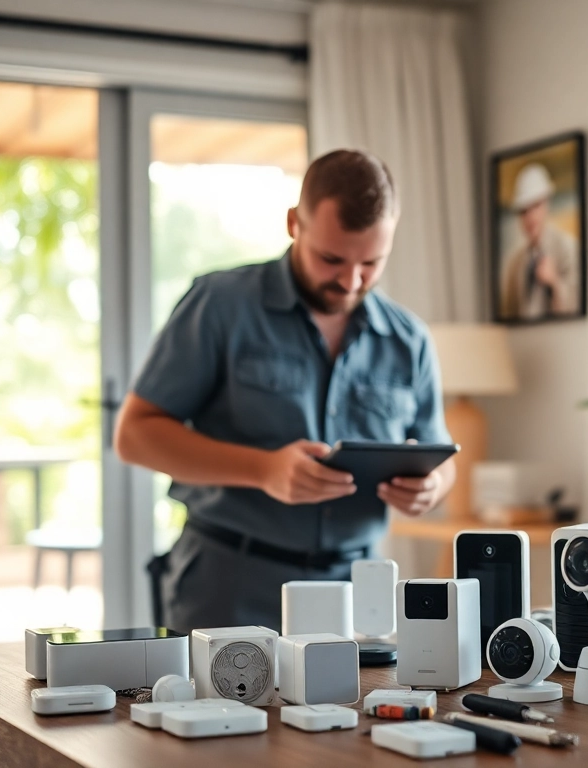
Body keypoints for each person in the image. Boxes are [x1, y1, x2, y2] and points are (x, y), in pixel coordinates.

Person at [114, 149, 456, 631]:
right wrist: (264, 469)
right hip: (230, 584)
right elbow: (134, 435)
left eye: (371, 263)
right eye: (332, 258)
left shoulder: (410, 339)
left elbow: (443, 461)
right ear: (295, 223)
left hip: (359, 596)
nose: (351, 281)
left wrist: (431, 488)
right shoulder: (220, 305)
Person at [498, 162, 581, 320]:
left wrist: (554, 282)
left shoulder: (569, 249)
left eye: (535, 206)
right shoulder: (514, 263)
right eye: (524, 210)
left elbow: (574, 307)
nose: (530, 217)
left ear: (546, 204)